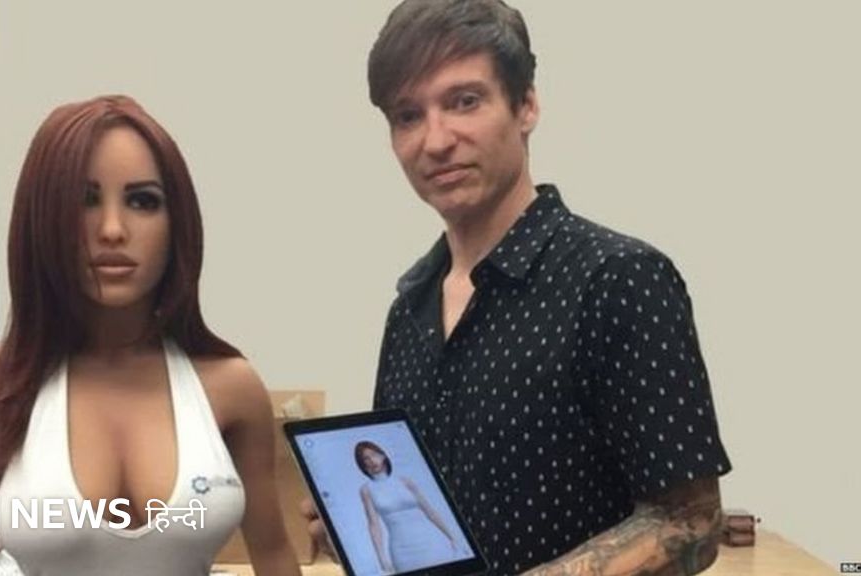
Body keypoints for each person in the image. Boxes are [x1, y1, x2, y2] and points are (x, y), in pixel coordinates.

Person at [304, 2, 732, 575]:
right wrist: (360, 541)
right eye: (408, 116)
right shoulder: (409, 308)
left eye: (464, 101)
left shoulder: (619, 279)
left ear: (526, 105)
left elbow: (691, 522)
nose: (436, 140)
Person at [0, 95, 301, 576]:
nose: (113, 230)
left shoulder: (231, 388)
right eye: (85, 200)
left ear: (177, 223)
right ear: (42, 218)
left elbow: (275, 553)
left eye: (143, 201)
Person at [354, 441, 459, 573]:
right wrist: (382, 558)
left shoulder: (405, 481)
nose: (371, 460)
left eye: (374, 454)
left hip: (431, 541)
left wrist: (451, 536)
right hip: (401, 549)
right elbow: (374, 525)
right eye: (366, 458)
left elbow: (429, 511)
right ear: (362, 464)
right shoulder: (367, 490)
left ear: (383, 456)